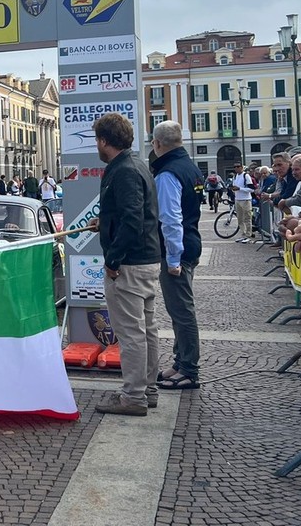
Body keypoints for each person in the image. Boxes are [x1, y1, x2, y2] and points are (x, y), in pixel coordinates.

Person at [88, 113, 162, 416]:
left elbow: (133, 220)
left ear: (104, 140)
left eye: (97, 140)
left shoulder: (124, 171)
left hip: (130, 264)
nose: (96, 145)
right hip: (146, 259)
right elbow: (135, 213)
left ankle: (133, 396)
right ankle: (148, 390)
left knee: (132, 334)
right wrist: (104, 223)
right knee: (147, 330)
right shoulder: (137, 165)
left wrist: (113, 259)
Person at [150, 121, 203, 391]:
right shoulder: (191, 167)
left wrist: (172, 259)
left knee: (182, 312)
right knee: (179, 310)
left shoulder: (167, 174)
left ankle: (189, 370)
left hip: (177, 250)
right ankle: (180, 362)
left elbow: (170, 219)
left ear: (157, 144)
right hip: (191, 242)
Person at [228, 163, 256, 243]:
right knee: (240, 219)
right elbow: (235, 187)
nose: (236, 168)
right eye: (235, 167)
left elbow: (251, 189)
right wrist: (233, 189)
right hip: (237, 199)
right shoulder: (235, 176)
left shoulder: (246, 176)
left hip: (245, 199)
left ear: (242, 167)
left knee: (247, 218)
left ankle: (248, 235)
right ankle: (243, 234)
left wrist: (240, 188)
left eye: (238, 166)